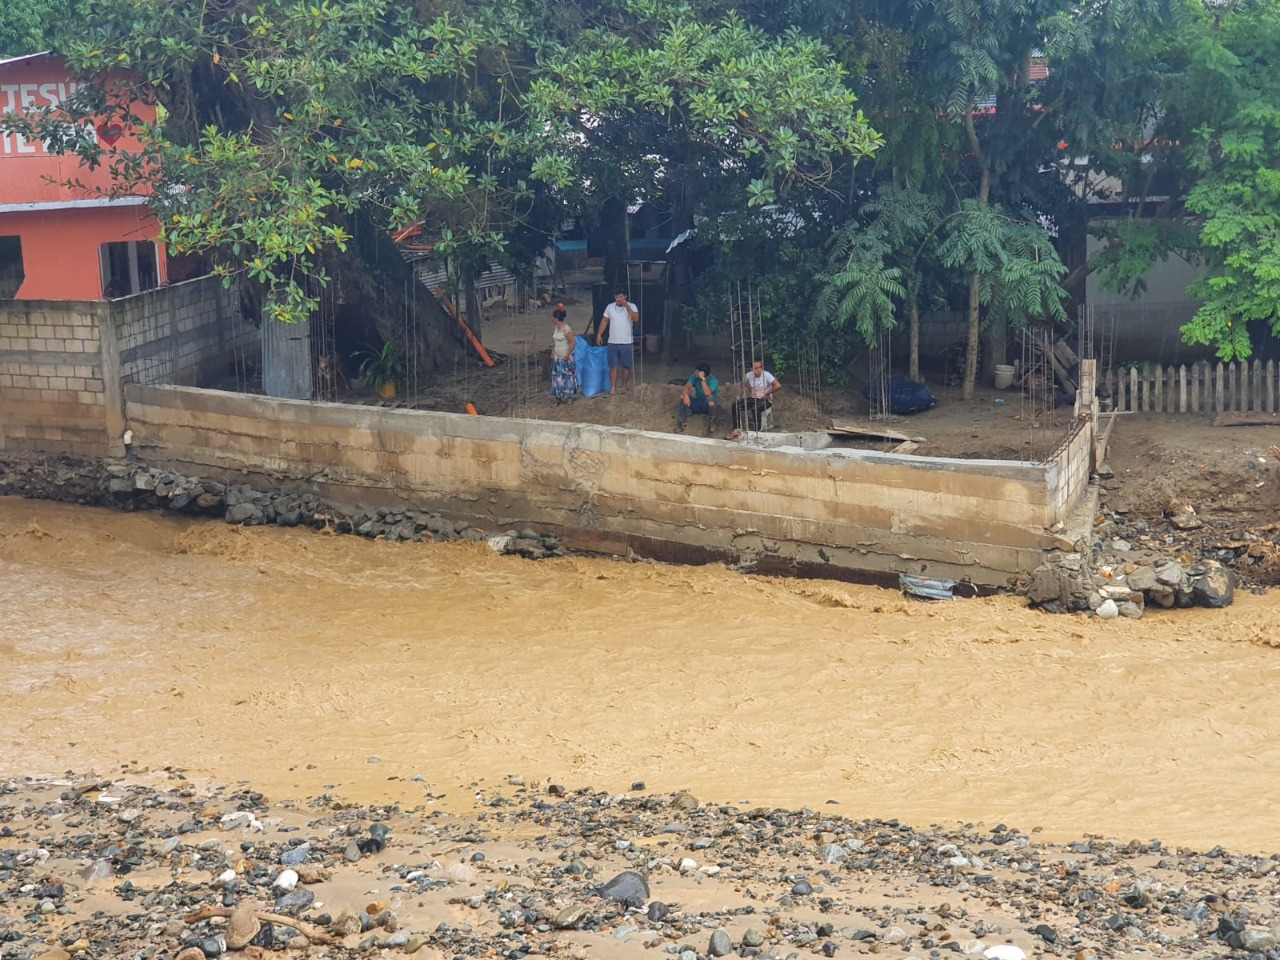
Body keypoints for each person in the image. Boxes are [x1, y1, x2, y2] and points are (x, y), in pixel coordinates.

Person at [596, 291, 638, 396]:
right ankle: (613, 388)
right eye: (616, 297)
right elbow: (605, 321)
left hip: (626, 341)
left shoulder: (632, 306)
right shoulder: (610, 307)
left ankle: (623, 387)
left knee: (626, 366)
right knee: (613, 366)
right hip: (613, 341)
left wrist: (626, 306)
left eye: (620, 297)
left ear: (625, 297)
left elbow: (636, 318)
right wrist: (599, 334)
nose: (618, 299)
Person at [728, 359, 781, 438]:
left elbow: (778, 386)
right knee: (735, 405)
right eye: (756, 368)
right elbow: (743, 384)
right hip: (754, 398)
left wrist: (768, 392)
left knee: (755, 409)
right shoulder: (749, 375)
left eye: (760, 367)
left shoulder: (766, 375)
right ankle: (737, 429)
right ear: (751, 369)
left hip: (765, 399)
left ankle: (757, 432)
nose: (758, 370)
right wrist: (749, 390)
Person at [676, 362, 718, 433]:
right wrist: (686, 395)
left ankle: (712, 422)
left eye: (697, 371)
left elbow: (707, 393)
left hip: (707, 406)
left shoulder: (713, 380)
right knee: (683, 396)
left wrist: (702, 379)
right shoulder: (693, 377)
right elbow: (687, 386)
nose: (695, 373)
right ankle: (683, 422)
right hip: (698, 402)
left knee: (710, 399)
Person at [550, 309, 577, 404]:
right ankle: (558, 396)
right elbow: (555, 342)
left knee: (567, 377)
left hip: (565, 356)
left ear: (556, 318)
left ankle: (569, 396)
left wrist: (567, 354)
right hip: (558, 356)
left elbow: (573, 342)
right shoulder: (556, 328)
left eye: (553, 318)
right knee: (558, 377)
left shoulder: (566, 329)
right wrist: (553, 351)